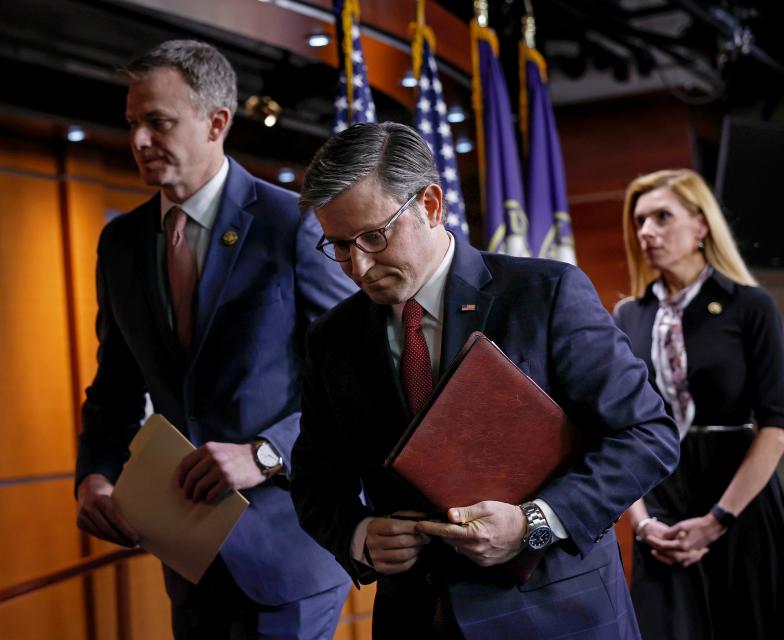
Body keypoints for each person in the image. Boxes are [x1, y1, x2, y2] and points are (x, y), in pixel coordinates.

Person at [288, 122, 680, 639]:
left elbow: (647, 435)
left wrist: (533, 523)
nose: (358, 266)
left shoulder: (546, 293)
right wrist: (359, 535)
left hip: (556, 618)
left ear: (430, 205)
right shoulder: (331, 337)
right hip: (414, 620)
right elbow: (316, 481)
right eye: (338, 246)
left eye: (373, 237)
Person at [74, 40, 354, 639]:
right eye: (133, 124)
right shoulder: (119, 244)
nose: (140, 141)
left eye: (158, 122)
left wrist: (265, 453)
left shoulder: (296, 224)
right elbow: (115, 387)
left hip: (291, 554)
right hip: (189, 558)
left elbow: (357, 380)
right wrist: (93, 474)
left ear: (217, 122)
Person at [614, 168, 784, 640]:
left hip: (739, 502)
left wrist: (718, 520)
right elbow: (618, 430)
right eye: (640, 221)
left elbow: (775, 425)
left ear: (701, 225)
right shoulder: (628, 315)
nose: (646, 231)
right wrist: (644, 525)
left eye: (662, 217)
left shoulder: (749, 305)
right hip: (661, 512)